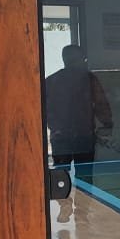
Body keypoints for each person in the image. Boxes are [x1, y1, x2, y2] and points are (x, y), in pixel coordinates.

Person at [46, 45, 113, 222]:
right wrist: (107, 125)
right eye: (82, 59)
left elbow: (43, 110)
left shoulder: (51, 81)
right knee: (85, 175)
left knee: (60, 174)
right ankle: (82, 212)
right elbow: (101, 104)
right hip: (83, 136)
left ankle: (65, 205)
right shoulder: (89, 80)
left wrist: (54, 126)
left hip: (61, 136)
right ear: (79, 59)